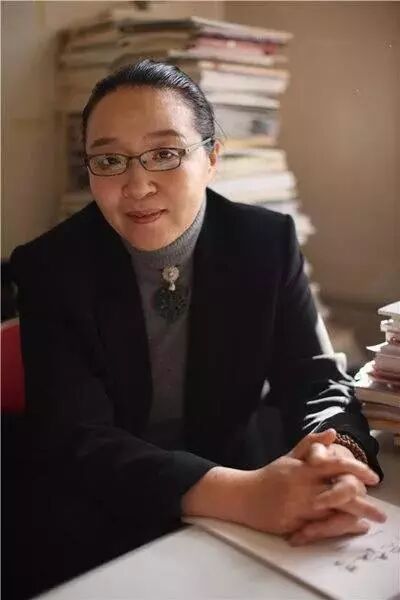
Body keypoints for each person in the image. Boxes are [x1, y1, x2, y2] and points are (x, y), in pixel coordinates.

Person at [7, 59, 385, 598]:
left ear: (211, 157)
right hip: (98, 508)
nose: (137, 185)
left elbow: (315, 378)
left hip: (236, 486)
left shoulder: (265, 242)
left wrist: (338, 456)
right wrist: (243, 495)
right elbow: (78, 436)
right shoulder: (51, 267)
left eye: (165, 153)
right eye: (109, 160)